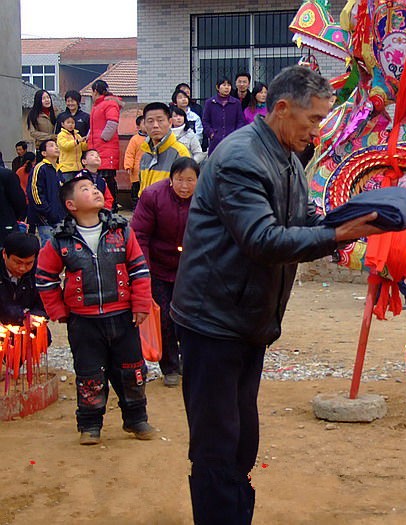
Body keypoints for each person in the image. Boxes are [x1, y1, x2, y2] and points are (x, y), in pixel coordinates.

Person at [170, 66, 382, 523]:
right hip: (213, 321)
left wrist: (357, 218)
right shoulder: (240, 158)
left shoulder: (287, 158)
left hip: (248, 319)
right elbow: (263, 240)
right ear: (282, 109)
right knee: (216, 442)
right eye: (314, 119)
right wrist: (341, 232)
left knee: (242, 436)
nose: (318, 130)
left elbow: (301, 216)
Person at [36, 175, 154, 446]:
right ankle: (90, 424)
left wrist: (140, 303)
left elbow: (139, 269)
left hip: (123, 316)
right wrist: (59, 311)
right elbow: (45, 278)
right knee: (89, 374)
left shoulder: (121, 231)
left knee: (132, 371)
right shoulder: (60, 240)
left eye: (95, 187)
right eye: (85, 189)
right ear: (71, 204)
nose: (95, 191)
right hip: (84, 322)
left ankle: (136, 419)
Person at [131, 157, 199, 388]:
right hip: (158, 267)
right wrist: (144, 270)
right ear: (171, 179)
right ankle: (169, 365)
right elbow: (139, 235)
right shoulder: (153, 196)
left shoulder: (205, 199)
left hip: (190, 268)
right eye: (180, 179)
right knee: (164, 318)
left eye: (190, 180)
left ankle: (188, 361)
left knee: (190, 317)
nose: (184, 186)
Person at [138, 102, 191, 195]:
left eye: (160, 120)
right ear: (144, 124)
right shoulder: (145, 155)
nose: (155, 125)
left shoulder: (180, 153)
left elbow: (186, 191)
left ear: (170, 123)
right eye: (150, 121)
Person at [88, 80, 122, 212]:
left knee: (107, 179)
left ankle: (111, 206)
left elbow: (112, 123)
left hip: (105, 148)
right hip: (98, 147)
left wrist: (103, 138)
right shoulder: (98, 105)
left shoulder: (109, 104)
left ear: (95, 91)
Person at [0, 232, 44, 324]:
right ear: (4, 254)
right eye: (17, 262)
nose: (22, 268)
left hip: (26, 324)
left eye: (28, 263)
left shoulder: (40, 272)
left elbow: (45, 302)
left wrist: (35, 316)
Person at [27, 140, 65, 246]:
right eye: (52, 146)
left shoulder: (58, 170)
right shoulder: (40, 168)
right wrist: (47, 211)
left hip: (59, 217)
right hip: (44, 218)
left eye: (57, 145)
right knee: (48, 246)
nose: (56, 147)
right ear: (44, 153)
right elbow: (35, 192)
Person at [202, 77, 246, 154]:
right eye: (224, 85)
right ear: (217, 87)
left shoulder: (236, 103)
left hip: (232, 140)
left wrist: (236, 134)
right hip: (215, 141)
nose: (226, 87)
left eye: (229, 85)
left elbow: (240, 121)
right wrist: (211, 134)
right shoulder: (210, 103)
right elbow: (205, 121)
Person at [123, 115, 147, 207]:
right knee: (136, 191)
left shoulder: (154, 138)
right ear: (138, 127)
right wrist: (128, 166)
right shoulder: (135, 139)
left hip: (149, 170)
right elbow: (129, 153)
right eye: (144, 123)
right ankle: (136, 207)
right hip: (137, 171)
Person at [0, 165, 26, 246]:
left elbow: (18, 201)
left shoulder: (6, 175)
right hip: (6, 225)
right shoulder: (6, 175)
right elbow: (19, 202)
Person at [56, 115, 88, 180]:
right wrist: (77, 141)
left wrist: (86, 141)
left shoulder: (77, 135)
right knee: (68, 187)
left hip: (78, 167)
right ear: (62, 124)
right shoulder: (61, 135)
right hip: (66, 168)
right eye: (68, 122)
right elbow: (65, 146)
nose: (71, 125)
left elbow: (83, 148)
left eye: (73, 123)